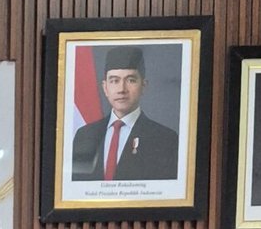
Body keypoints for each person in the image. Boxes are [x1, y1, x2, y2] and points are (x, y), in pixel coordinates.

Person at [70, 45, 180, 182]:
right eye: (114, 80)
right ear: (105, 87)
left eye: (130, 80)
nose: (121, 89)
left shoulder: (165, 140)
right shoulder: (84, 135)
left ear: (143, 86)